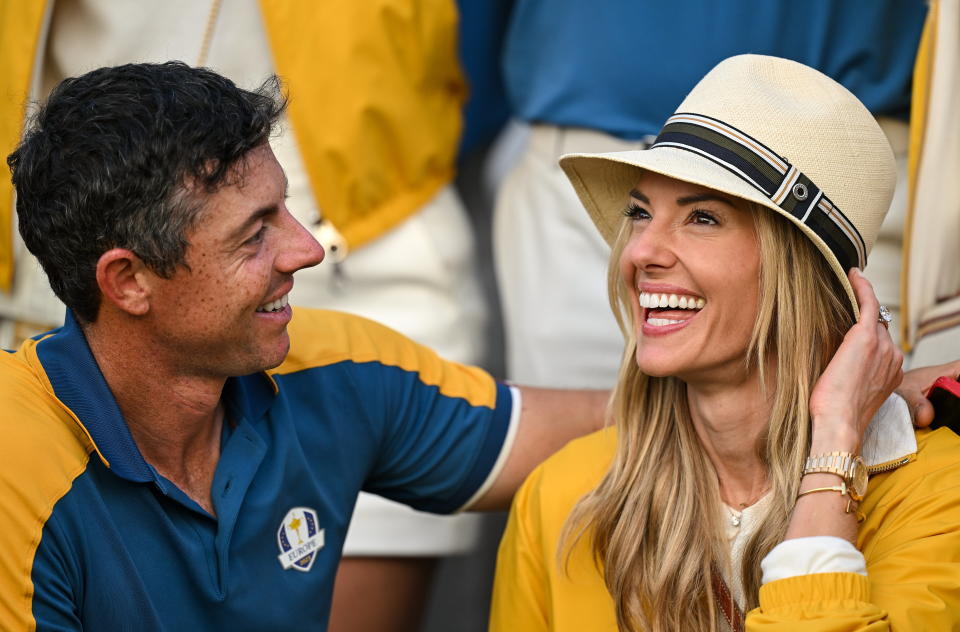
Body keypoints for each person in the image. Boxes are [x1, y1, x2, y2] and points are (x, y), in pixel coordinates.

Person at [0, 61, 610, 631]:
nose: (306, 250)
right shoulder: (15, 463)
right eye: (253, 234)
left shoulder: (325, 362)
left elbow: (609, 430)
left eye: (286, 210)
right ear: (128, 281)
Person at [490, 55, 960, 631]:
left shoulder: (941, 498)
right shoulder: (563, 497)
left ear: (801, 276)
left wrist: (833, 448)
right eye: (640, 213)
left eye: (703, 218)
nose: (640, 252)